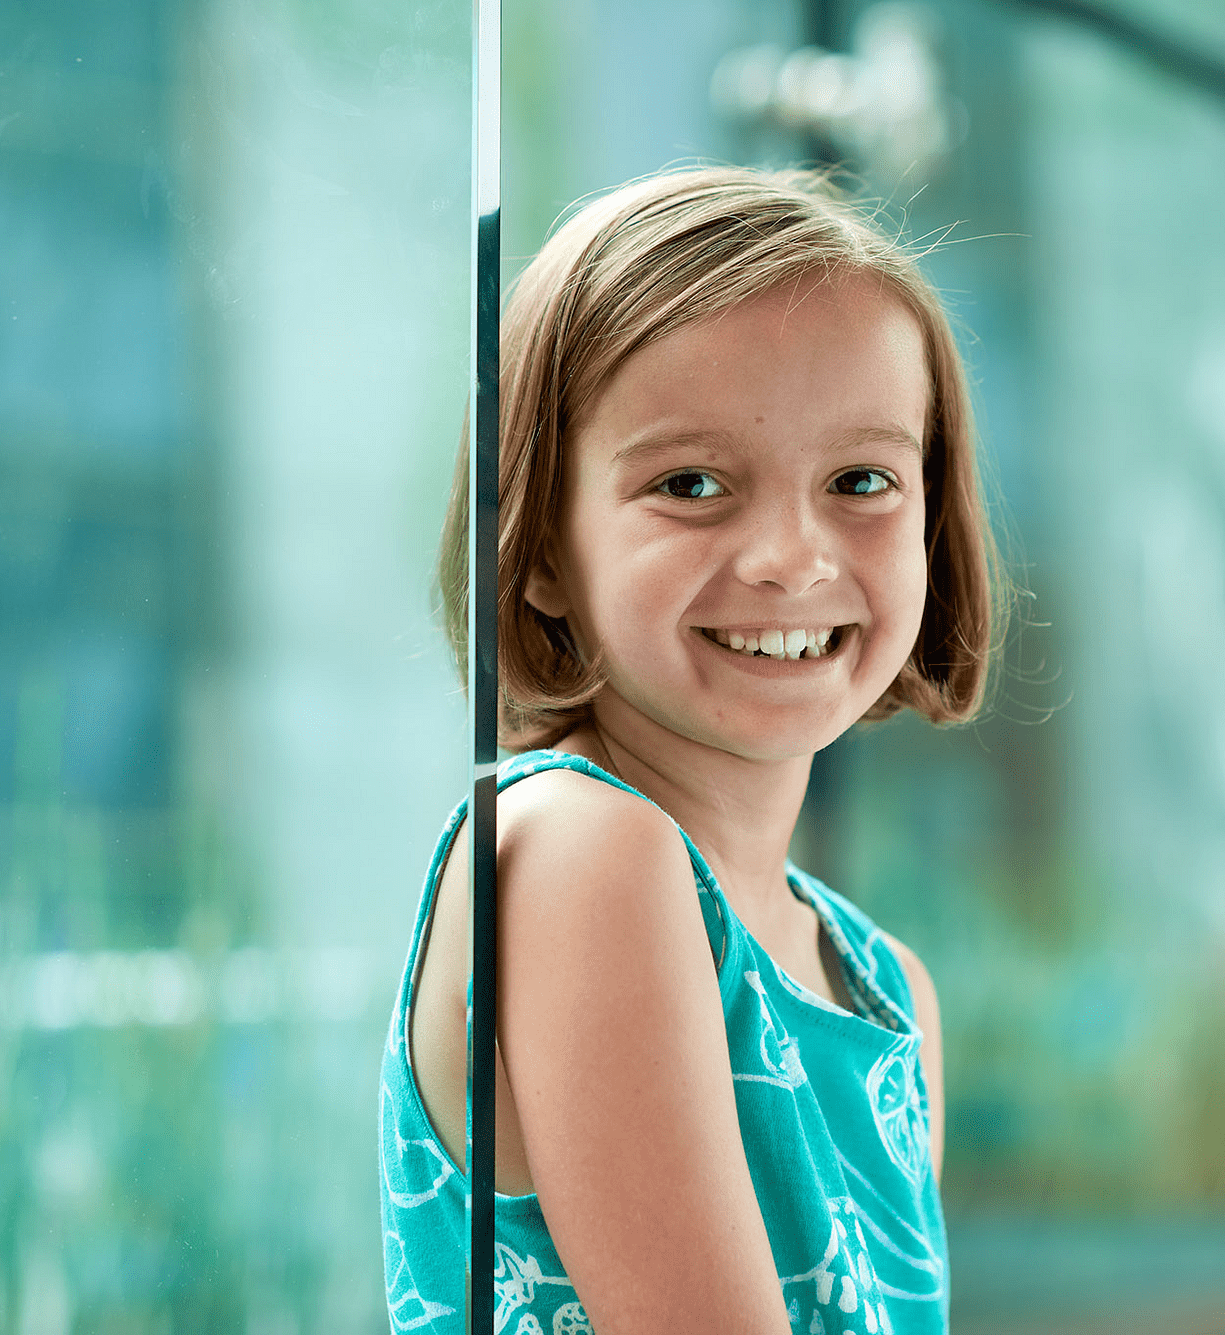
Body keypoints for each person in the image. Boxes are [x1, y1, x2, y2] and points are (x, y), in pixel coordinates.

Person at [380, 164, 1004, 1335]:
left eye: (860, 480)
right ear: (542, 548)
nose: (789, 557)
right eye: (691, 483)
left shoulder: (885, 988)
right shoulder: (580, 851)